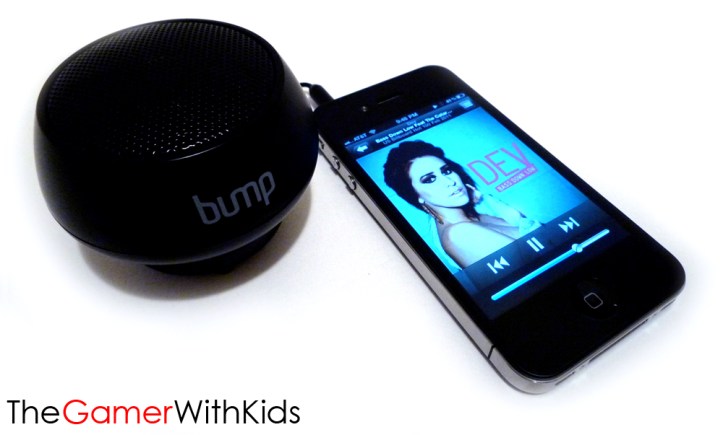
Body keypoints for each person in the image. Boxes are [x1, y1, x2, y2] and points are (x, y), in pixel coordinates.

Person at [384, 140, 540, 269]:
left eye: (446, 171)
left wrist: (486, 199)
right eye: (430, 179)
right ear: (415, 195)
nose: (449, 181)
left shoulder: (473, 218)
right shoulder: (459, 234)